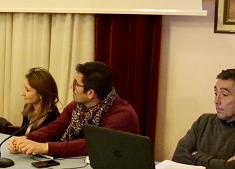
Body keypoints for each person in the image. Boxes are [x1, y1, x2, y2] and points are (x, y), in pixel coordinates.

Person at [8, 61, 138, 158]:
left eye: (76, 84)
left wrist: (45, 147)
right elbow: (55, 128)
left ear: (90, 93)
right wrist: (26, 139)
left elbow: (93, 145)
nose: (72, 86)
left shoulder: (121, 115)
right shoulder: (76, 106)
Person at [15, 67, 60, 135]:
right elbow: (22, 134)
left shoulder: (52, 116)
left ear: (41, 94)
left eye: (27, 90)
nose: (22, 93)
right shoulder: (28, 107)